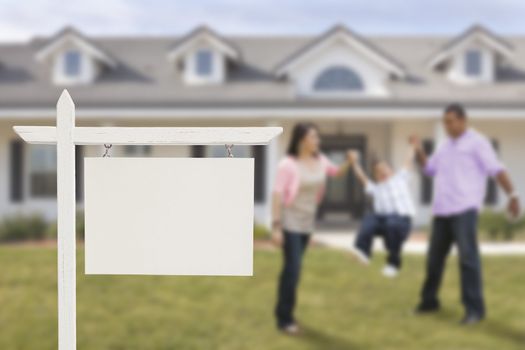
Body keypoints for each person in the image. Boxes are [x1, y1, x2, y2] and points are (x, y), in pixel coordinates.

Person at [413, 103, 520, 325]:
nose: (447, 126)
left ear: (463, 120)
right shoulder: (444, 145)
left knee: (468, 260)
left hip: (464, 210)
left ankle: (474, 310)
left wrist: (513, 195)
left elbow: (496, 169)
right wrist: (419, 151)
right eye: (445, 122)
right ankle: (429, 301)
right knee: (434, 260)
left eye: (451, 121)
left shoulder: (478, 143)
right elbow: (429, 169)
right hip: (442, 211)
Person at [272, 122, 352, 335]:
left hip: (307, 223)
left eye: (318, 137)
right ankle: (284, 318)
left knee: (291, 269)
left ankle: (283, 311)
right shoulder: (288, 165)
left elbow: (335, 173)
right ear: (302, 140)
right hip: (290, 222)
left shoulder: (320, 160)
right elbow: (277, 194)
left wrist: (348, 162)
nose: (318, 141)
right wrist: (276, 226)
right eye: (314, 137)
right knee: (293, 269)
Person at [348, 147, 416, 278]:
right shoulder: (375, 188)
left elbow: (408, 161)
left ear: (392, 170)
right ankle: (363, 251)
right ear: (375, 177)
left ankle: (393, 264)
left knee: (391, 223)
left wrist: (412, 146)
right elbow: (361, 177)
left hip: (402, 221)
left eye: (385, 168)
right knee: (369, 218)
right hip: (383, 222)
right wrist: (354, 163)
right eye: (378, 172)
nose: (382, 172)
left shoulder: (400, 179)